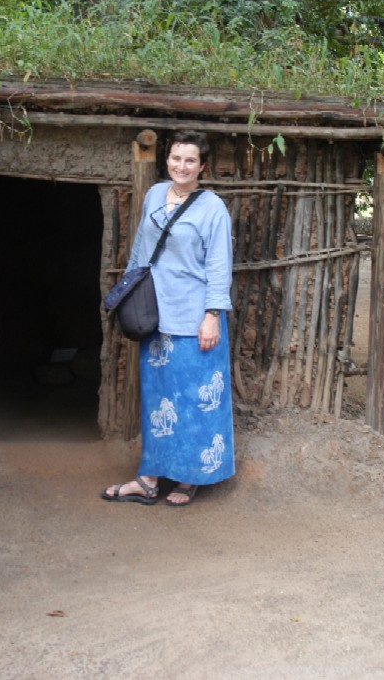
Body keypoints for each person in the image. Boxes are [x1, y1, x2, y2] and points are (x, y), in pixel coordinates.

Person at [101, 130, 235, 507]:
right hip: (155, 316)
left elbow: (219, 266)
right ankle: (147, 479)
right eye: (176, 158)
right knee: (159, 401)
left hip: (194, 319)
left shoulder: (212, 209)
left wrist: (212, 315)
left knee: (196, 401)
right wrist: (127, 294)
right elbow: (141, 252)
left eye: (190, 160)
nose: (182, 166)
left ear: (202, 166)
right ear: (168, 160)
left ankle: (189, 478)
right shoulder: (154, 195)